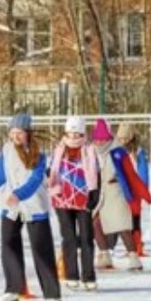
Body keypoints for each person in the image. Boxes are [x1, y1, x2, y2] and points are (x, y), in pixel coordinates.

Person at [0, 114, 62, 301]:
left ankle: (52, 294)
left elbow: (34, 181)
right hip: (11, 208)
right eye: (13, 132)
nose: (16, 136)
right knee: (8, 245)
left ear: (28, 133)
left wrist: (19, 194)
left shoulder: (39, 155)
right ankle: (13, 290)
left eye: (20, 132)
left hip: (34, 206)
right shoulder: (6, 151)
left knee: (42, 250)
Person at [90, 119, 151, 271]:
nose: (99, 142)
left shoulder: (118, 152)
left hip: (117, 192)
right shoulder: (92, 152)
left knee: (122, 226)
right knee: (96, 222)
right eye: (97, 139)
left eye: (102, 139)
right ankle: (104, 254)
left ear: (108, 138)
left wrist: (141, 191)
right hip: (101, 192)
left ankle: (133, 256)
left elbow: (131, 173)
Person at [48, 116, 102, 291]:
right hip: (62, 198)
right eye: (70, 134)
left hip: (83, 198)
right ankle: (71, 274)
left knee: (86, 238)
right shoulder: (58, 149)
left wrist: (94, 193)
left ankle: (88, 276)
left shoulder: (89, 150)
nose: (73, 138)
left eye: (77, 134)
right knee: (69, 238)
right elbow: (52, 170)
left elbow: (96, 172)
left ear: (82, 133)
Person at [115, 123, 150, 256]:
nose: (123, 141)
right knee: (124, 220)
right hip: (121, 189)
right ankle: (129, 246)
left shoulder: (138, 152)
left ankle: (137, 245)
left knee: (135, 218)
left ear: (131, 137)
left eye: (125, 138)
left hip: (134, 189)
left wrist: (143, 188)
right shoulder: (117, 151)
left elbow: (143, 171)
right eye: (120, 138)